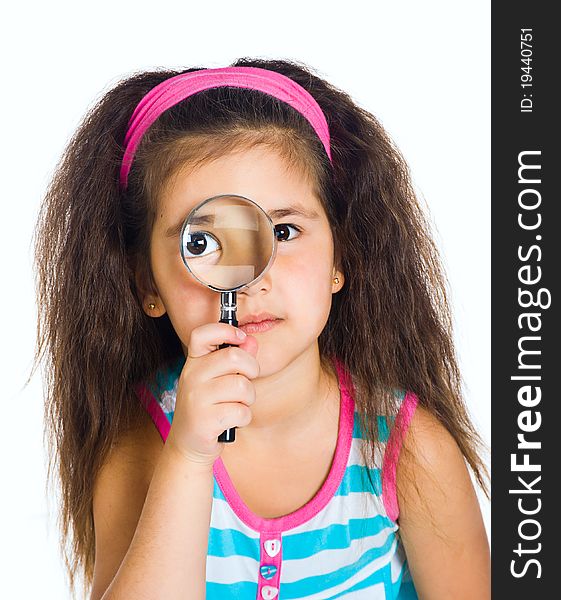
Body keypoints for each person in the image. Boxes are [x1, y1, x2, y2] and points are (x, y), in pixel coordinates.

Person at [32, 58, 490, 599]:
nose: (253, 278)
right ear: (146, 283)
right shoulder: (143, 445)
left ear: (341, 258)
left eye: (285, 230)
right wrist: (188, 459)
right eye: (201, 242)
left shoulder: (407, 450)